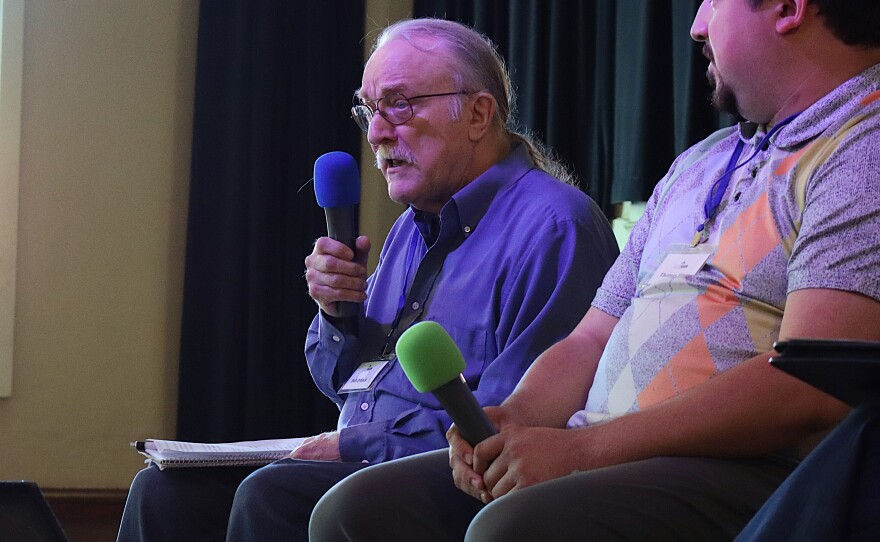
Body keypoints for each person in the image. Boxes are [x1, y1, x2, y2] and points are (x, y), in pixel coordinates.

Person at [309, 1, 880, 540]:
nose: (696, 26)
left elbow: (810, 388)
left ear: (788, 7)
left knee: (510, 529)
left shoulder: (862, 146)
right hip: (607, 448)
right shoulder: (701, 161)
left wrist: (584, 450)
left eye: (712, 1)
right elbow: (592, 336)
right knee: (352, 510)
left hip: (749, 467)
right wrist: (514, 419)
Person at [116, 18, 618, 542]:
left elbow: (506, 424)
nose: (377, 132)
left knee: (273, 495)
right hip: (361, 461)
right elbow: (347, 383)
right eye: (369, 109)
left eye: (400, 104)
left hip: (460, 481)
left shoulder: (556, 228)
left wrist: (352, 447)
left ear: (477, 113)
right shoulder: (410, 228)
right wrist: (337, 312)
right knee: (164, 493)